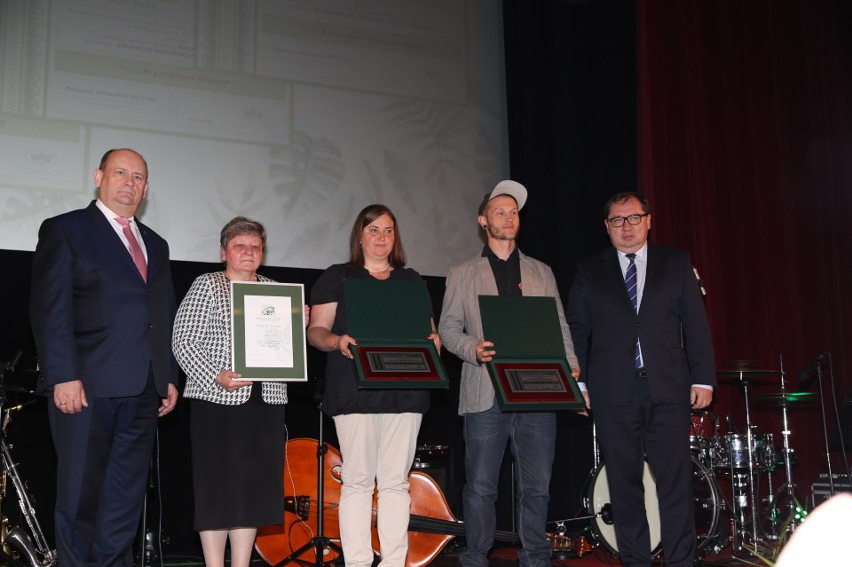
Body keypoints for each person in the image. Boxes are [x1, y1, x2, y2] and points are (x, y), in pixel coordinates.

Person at [29, 148, 179, 566]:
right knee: (79, 497)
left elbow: (161, 314)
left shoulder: (157, 244)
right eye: (121, 173)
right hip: (85, 388)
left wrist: (167, 375)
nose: (130, 183)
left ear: (146, 188)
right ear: (99, 177)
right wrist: (62, 374)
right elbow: (49, 308)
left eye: (138, 177)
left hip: (143, 390)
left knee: (124, 501)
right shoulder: (66, 230)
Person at [565, 192, 715, 567]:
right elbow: (577, 330)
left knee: (675, 484)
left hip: (669, 389)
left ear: (649, 220)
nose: (626, 227)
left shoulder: (676, 263)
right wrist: (579, 385)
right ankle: (636, 561)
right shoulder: (590, 268)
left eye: (633, 218)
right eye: (617, 220)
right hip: (613, 392)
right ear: (607, 227)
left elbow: (696, 326)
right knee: (624, 485)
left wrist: (704, 379)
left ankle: (683, 562)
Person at [438, 180, 580, 567]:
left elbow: (559, 326)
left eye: (514, 212)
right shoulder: (463, 272)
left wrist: (571, 371)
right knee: (481, 487)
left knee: (537, 488)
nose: (509, 217)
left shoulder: (541, 271)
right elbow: (448, 329)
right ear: (483, 220)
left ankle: (536, 557)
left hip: (539, 391)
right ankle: (475, 557)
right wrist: (473, 349)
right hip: (485, 391)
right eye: (500, 211)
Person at [307, 204, 439, 567]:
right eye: (374, 230)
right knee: (359, 481)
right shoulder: (338, 276)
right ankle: (359, 563)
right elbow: (316, 331)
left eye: (388, 230)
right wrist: (336, 342)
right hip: (355, 389)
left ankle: (395, 562)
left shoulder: (411, 280)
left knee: (396, 482)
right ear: (360, 236)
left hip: (406, 389)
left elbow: (428, 330)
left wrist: (434, 340)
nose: (382, 237)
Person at [172, 217, 300, 567]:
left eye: (255, 246)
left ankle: (241, 564)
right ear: (223, 251)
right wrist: (216, 376)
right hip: (218, 401)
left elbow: (283, 350)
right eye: (240, 245)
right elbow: (183, 342)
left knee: (252, 492)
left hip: (266, 403)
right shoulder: (208, 285)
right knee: (218, 489)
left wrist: (295, 327)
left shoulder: (275, 289)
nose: (249, 251)